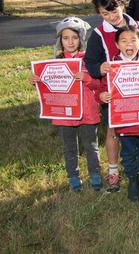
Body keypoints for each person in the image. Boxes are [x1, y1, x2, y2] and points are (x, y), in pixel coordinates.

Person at [84, 0, 139, 192]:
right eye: (105, 14)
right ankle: (113, 171)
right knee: (113, 132)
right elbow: (90, 62)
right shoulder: (99, 33)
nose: (111, 17)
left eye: (114, 11)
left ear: (123, 5)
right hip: (115, 95)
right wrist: (99, 68)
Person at [29, 17, 102, 192]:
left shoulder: (89, 60)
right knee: (69, 146)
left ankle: (95, 174)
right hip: (65, 113)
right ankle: (73, 176)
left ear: (81, 39)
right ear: (60, 40)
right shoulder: (54, 62)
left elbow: (99, 84)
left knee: (91, 145)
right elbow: (49, 87)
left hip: (88, 110)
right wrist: (37, 81)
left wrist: (87, 78)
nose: (70, 42)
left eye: (75, 38)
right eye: (66, 38)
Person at [99, 26, 139, 202]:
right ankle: (133, 181)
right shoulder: (111, 67)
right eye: (124, 41)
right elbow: (103, 88)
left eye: (133, 40)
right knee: (128, 154)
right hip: (125, 123)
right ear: (117, 44)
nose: (129, 44)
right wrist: (103, 96)